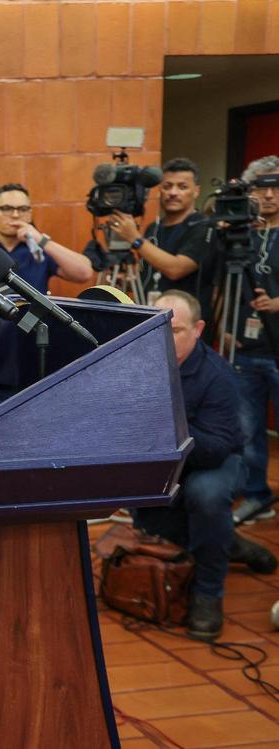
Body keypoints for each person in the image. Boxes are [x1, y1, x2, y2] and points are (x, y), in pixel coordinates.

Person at [136, 291, 274, 640]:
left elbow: (216, 448)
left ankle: (208, 594)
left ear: (198, 329)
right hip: (165, 459)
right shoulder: (140, 363)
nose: (163, 337)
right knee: (145, 506)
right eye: (156, 327)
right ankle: (229, 542)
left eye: (175, 329)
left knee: (205, 495)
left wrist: (167, 426)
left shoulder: (217, 375)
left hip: (216, 462)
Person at [230, 155, 279, 525]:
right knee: (248, 431)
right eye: (260, 187)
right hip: (247, 349)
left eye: (275, 187)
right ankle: (257, 495)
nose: (268, 195)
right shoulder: (240, 233)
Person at [109, 157, 214, 322]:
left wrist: (135, 238)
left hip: (184, 322)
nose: (173, 193)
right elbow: (150, 273)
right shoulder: (154, 228)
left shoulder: (204, 227)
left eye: (182, 187)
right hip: (150, 317)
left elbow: (176, 269)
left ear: (196, 191)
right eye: (167, 186)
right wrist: (129, 283)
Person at [0, 183, 94, 291]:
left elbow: (84, 273)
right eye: (6, 209)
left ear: (29, 215)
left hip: (35, 324)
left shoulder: (40, 250)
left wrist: (41, 240)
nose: (16, 215)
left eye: (22, 209)